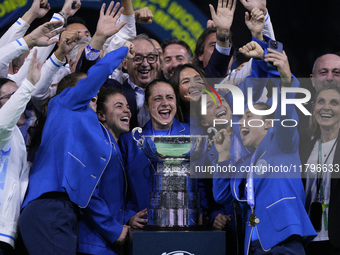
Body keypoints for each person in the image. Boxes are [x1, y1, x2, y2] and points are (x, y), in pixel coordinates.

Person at [18, 11, 133, 254]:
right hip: (50, 207)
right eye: (90, 93)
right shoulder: (64, 103)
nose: (94, 96)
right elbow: (91, 77)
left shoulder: (88, 128)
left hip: (64, 212)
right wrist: (119, 49)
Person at [212, 41, 316, 255]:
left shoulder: (281, 144)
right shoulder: (244, 162)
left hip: (284, 242)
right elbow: (222, 196)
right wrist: (223, 156)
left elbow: (286, 116)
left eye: (249, 117)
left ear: (269, 124)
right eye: (242, 120)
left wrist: (286, 81)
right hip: (254, 246)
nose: (242, 123)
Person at [119, 79, 190, 229]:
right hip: (146, 224)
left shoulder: (193, 134)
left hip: (186, 223)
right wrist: (129, 216)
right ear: (146, 104)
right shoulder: (130, 141)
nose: (165, 103)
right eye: (157, 98)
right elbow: (121, 190)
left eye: (170, 97)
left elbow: (203, 182)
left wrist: (204, 211)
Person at [77, 87, 132, 255]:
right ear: (101, 115)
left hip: (107, 244)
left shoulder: (114, 146)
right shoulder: (98, 143)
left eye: (128, 107)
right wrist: (113, 229)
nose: (127, 111)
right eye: (118, 106)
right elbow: (88, 193)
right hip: (94, 244)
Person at [0, 49, 43, 255]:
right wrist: (27, 85)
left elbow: (41, 80)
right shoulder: (3, 130)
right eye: (12, 97)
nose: (22, 102)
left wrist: (58, 54)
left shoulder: (16, 135)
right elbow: (3, 121)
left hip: (9, 233)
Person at [301, 85, 340, 255]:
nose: (326, 107)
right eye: (321, 102)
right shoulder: (303, 148)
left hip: (337, 240)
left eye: (334, 103)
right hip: (308, 239)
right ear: (313, 108)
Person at [162, 0, 236, 80]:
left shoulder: (203, 83)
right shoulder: (154, 89)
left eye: (180, 58)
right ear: (160, 64)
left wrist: (222, 35)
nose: (174, 65)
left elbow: (217, 67)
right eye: (167, 60)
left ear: (190, 62)